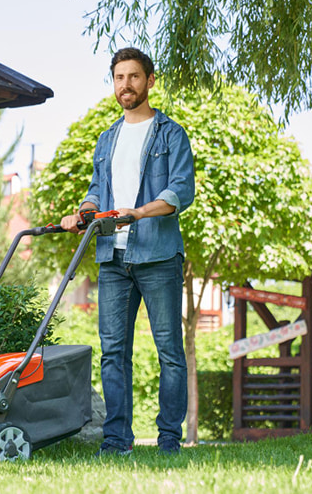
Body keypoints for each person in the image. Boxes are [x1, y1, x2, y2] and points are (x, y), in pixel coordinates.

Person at [61, 47, 195, 456]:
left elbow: (180, 192)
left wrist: (138, 213)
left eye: (134, 77)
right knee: (113, 352)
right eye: (120, 78)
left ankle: (169, 440)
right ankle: (117, 440)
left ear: (150, 81)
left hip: (157, 255)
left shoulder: (171, 134)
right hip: (113, 259)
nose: (126, 85)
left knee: (169, 352)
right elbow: (97, 190)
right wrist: (83, 212)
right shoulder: (106, 139)